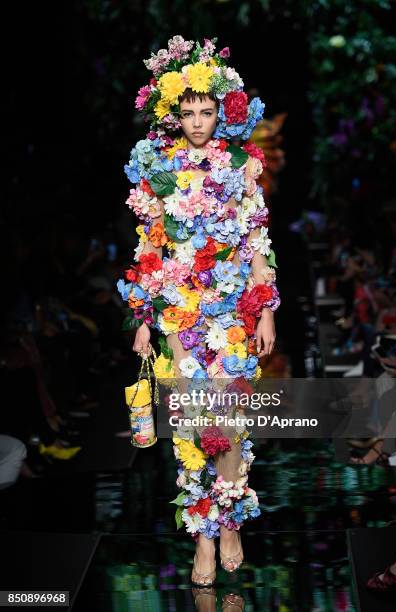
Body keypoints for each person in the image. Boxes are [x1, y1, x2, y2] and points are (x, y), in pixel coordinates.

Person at [117, 36, 280, 587]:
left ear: (221, 111)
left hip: (233, 310)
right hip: (178, 312)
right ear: (174, 114)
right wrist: (144, 318)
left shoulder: (242, 164)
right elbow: (149, 249)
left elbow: (257, 240)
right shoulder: (157, 168)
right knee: (190, 426)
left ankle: (229, 522)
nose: (197, 121)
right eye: (187, 112)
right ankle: (204, 538)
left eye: (206, 111)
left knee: (228, 426)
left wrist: (266, 313)